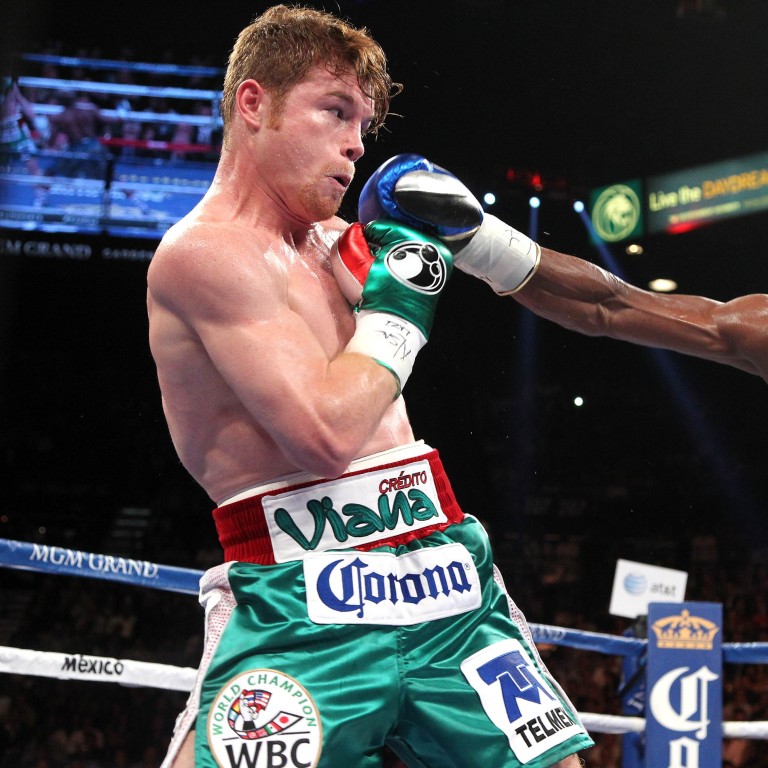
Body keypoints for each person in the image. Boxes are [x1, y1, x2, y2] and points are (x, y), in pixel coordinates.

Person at [146, 5, 592, 768]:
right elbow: (322, 434)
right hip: (303, 594)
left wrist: (466, 243)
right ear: (253, 104)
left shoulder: (341, 248)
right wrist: (401, 310)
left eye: (365, 123)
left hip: (446, 578)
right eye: (335, 111)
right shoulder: (205, 255)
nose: (356, 143)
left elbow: (564, 294)